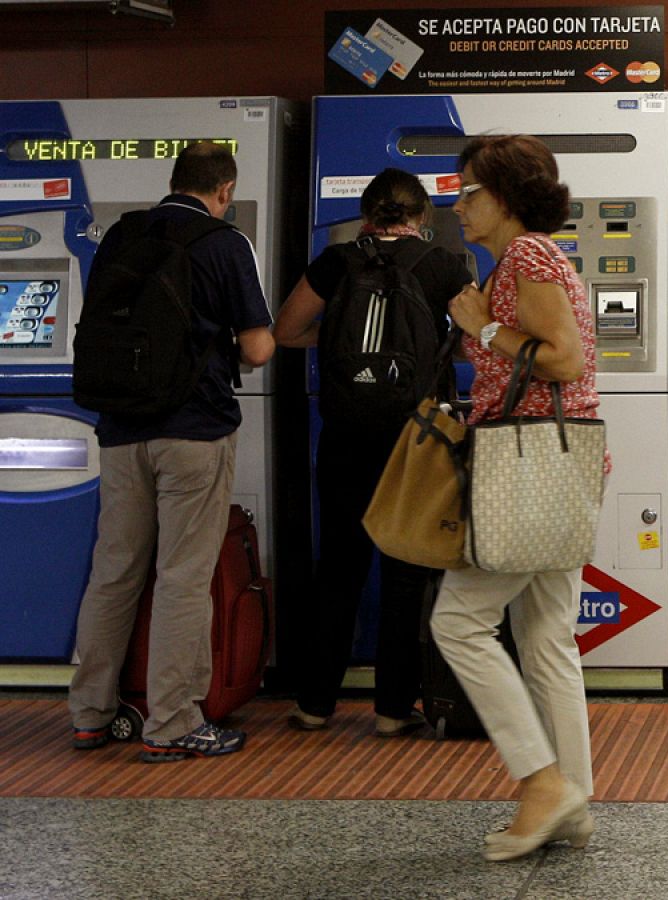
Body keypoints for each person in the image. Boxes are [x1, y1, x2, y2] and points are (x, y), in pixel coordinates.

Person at [67, 143, 275, 762]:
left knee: (114, 572)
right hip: (193, 431)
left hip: (120, 429)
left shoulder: (122, 234)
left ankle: (90, 714)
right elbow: (260, 347)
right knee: (183, 578)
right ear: (226, 190)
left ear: (173, 182)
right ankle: (172, 722)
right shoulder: (224, 243)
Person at [429, 135, 602, 861]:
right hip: (560, 464)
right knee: (545, 636)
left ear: (504, 196)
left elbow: (561, 358)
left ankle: (541, 783)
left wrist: (481, 327)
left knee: (459, 622)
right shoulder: (525, 260)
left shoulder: (527, 258)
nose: (459, 203)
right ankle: (574, 798)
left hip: (525, 464)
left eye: (469, 191)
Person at [273, 169, 473, 737]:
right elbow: (476, 343)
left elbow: (286, 331)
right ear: (421, 217)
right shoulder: (441, 265)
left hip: (342, 437)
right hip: (413, 441)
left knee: (338, 568)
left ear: (366, 215)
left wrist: (335, 338)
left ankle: (314, 705)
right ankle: (391, 710)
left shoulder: (335, 261)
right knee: (405, 570)